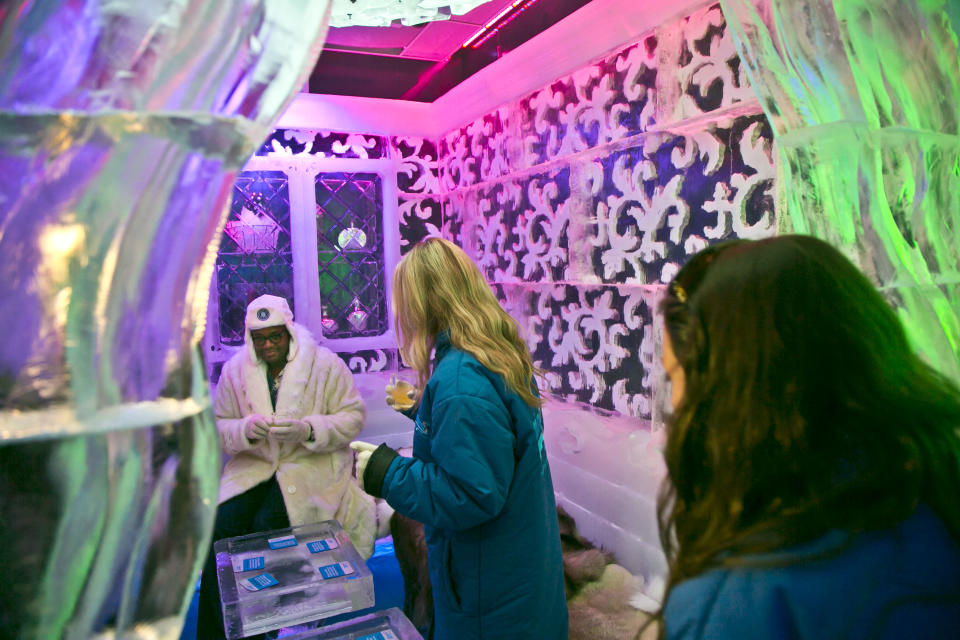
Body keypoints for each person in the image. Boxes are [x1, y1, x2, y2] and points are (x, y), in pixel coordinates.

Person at [653, 235, 960, 640]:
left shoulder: (736, 604)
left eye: (675, 377)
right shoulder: (935, 487)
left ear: (733, 394)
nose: (675, 405)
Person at [351, 237, 568, 640]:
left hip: (488, 597)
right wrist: (422, 407)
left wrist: (387, 472)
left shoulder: (460, 380)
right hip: (515, 576)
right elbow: (487, 438)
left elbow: (472, 492)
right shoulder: (494, 353)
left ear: (425, 302)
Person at [197, 294, 377, 639]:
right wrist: (244, 429)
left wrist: (309, 429)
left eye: (274, 337)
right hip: (255, 469)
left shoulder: (324, 365)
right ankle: (215, 633)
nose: (267, 345)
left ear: (289, 332)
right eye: (259, 338)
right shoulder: (236, 371)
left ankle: (273, 628)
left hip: (311, 468)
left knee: (268, 527)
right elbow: (218, 429)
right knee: (221, 528)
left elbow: (353, 418)